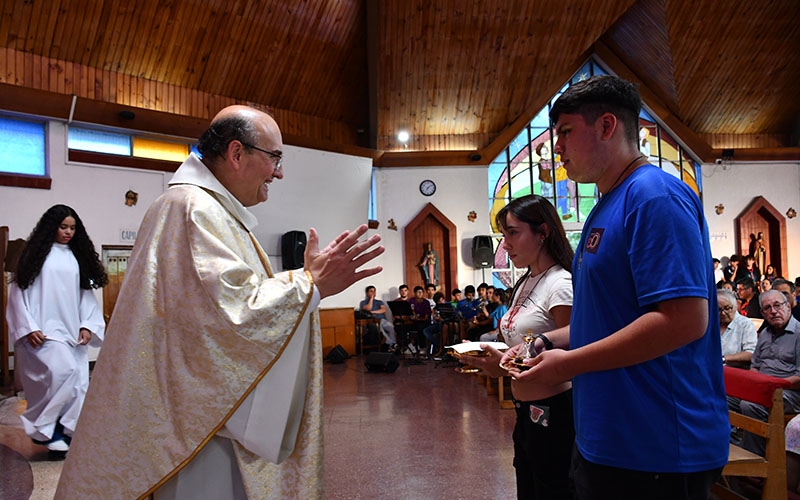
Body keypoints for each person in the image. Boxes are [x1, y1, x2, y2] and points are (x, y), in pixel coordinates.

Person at [54, 105, 384, 500]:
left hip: (200, 412)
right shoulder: (194, 209)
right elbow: (233, 314)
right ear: (236, 153)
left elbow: (223, 300)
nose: (279, 172)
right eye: (275, 157)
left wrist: (305, 282)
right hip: (198, 426)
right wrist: (310, 285)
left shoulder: (207, 209)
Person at [502, 75, 728, 500]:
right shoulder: (608, 203)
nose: (557, 147)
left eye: (566, 132)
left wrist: (567, 366)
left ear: (607, 126)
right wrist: (544, 343)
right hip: (608, 434)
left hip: (657, 439)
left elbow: (682, 321)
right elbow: (604, 320)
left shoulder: (654, 197)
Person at [460, 194, 574, 499]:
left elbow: (574, 341)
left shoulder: (560, 282)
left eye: (513, 233)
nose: (505, 245)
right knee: (528, 487)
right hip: (525, 407)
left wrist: (525, 354)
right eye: (503, 235)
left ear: (543, 232)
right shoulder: (527, 281)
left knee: (552, 489)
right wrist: (499, 361)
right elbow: (523, 346)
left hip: (556, 408)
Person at [6, 204, 107, 459]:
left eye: (73, 228)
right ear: (51, 226)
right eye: (63, 227)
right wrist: (29, 327)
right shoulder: (33, 257)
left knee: (79, 383)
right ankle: (47, 430)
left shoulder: (77, 257)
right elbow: (18, 294)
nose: (68, 232)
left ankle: (64, 432)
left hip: (72, 333)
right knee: (64, 372)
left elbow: (86, 297)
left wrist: (87, 325)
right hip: (44, 332)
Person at [739, 289, 800, 456]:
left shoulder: (799, 333)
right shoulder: (765, 333)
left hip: (790, 392)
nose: (773, 311)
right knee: (720, 396)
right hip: (762, 386)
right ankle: (727, 451)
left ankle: (755, 459)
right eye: (767, 308)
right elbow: (755, 365)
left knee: (750, 404)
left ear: (788, 306)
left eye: (777, 305)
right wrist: (756, 382)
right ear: (762, 313)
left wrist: (773, 385)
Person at [717, 289, 756, 368]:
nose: (723, 313)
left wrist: (723, 359)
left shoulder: (745, 324)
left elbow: (751, 353)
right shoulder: (713, 323)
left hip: (734, 370)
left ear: (735, 306)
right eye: (718, 310)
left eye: (727, 308)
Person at [359, 285, 398, 352]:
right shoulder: (363, 302)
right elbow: (368, 308)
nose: (373, 293)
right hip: (373, 322)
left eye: (374, 291)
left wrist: (373, 312)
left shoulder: (379, 302)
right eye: (371, 291)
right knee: (380, 330)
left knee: (391, 327)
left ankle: (394, 343)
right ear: (367, 293)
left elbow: (383, 310)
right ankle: (392, 344)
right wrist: (371, 299)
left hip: (382, 320)